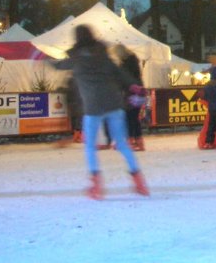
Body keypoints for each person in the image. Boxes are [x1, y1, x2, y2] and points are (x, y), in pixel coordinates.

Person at [49, 25, 149, 199]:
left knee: (89, 146)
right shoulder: (103, 56)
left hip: (93, 107)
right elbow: (120, 73)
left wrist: (41, 58)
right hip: (114, 104)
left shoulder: (77, 58)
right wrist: (134, 85)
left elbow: (58, 65)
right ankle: (139, 181)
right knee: (123, 145)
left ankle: (96, 185)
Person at [115, 44, 146, 151]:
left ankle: (130, 142)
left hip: (130, 93)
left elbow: (123, 80)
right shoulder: (134, 61)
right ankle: (139, 142)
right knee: (134, 118)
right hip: (139, 92)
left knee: (129, 118)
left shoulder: (125, 65)